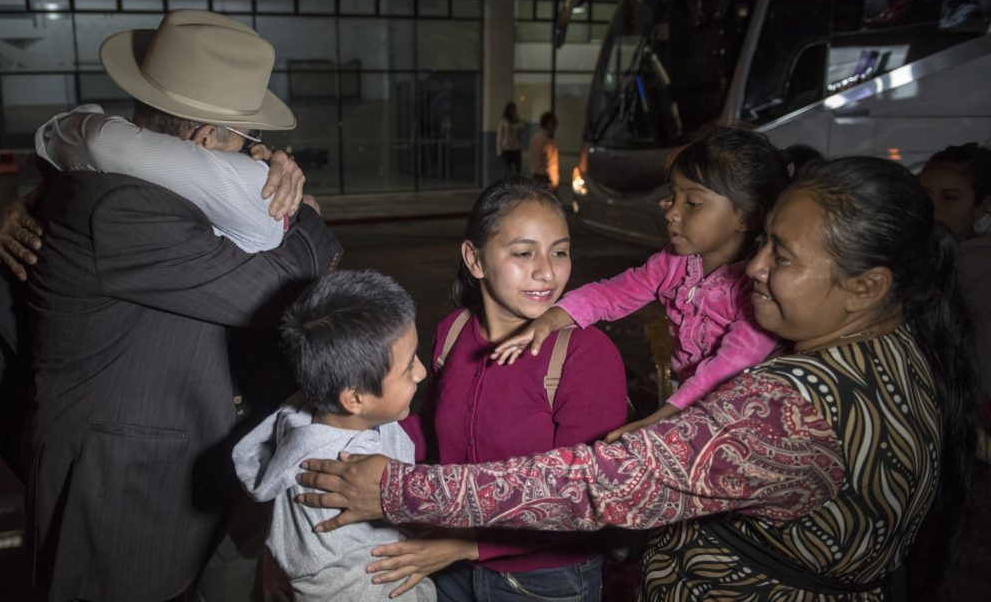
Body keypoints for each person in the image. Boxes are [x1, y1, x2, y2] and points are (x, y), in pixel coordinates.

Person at [297, 156, 977, 600]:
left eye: (782, 255)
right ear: (475, 260)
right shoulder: (898, 345)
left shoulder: (792, 408)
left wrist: (400, 492)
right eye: (763, 241)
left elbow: (592, 485)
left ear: (867, 286)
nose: (755, 268)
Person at [17, 10, 344, 602]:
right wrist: (303, 213)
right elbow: (288, 286)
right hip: (127, 495)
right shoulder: (123, 208)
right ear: (205, 140)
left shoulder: (165, 195)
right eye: (250, 141)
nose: (262, 155)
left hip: (210, 464)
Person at [367, 178, 627, 600]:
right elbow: (429, 428)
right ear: (475, 259)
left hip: (544, 582)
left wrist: (465, 545)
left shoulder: (586, 355)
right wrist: (351, 442)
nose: (547, 270)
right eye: (524, 253)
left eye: (560, 252)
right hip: (452, 567)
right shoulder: (454, 332)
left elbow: (586, 500)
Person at [497, 127, 809, 438]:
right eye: (673, 197)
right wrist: (554, 317)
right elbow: (614, 293)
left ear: (746, 216)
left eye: (692, 203)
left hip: (741, 415)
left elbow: (729, 367)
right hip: (683, 402)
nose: (672, 212)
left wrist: (663, 417)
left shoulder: (758, 287)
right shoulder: (673, 262)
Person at [232, 270, 435, 601]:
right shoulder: (338, 474)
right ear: (354, 399)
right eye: (409, 365)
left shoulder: (309, 413)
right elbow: (349, 584)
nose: (422, 372)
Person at [34, 102, 305, 253]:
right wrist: (265, 166)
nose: (253, 147)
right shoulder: (253, 188)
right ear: (205, 136)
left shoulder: (84, 156)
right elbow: (102, 140)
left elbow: (77, 131)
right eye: (249, 137)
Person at [919, 143, 991, 443]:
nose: (934, 209)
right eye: (924, 196)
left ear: (983, 205)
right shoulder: (912, 255)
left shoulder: (981, 266)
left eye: (950, 198)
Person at [528, 112, 559, 190]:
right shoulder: (544, 140)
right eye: (552, 123)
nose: (554, 126)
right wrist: (553, 182)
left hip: (540, 177)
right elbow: (550, 163)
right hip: (544, 179)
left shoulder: (538, 138)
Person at [496, 102, 524, 178]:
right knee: (508, 167)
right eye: (510, 109)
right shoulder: (503, 121)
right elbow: (500, 135)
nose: (512, 111)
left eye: (513, 109)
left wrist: (516, 119)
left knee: (518, 167)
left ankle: (517, 182)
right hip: (506, 147)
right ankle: (507, 182)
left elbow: (521, 129)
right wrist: (499, 150)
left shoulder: (518, 120)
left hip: (516, 147)